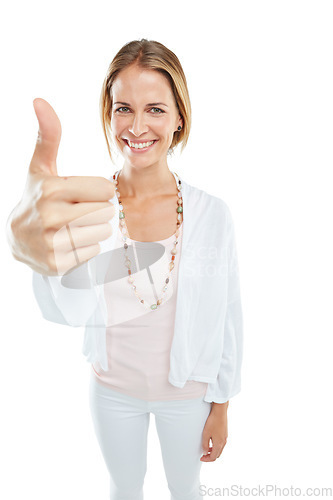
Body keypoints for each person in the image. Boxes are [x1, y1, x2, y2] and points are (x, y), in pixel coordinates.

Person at [6, 39, 244, 500]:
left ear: (179, 119)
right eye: (123, 109)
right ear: (108, 114)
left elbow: (228, 312)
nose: (137, 126)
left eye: (155, 109)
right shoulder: (88, 208)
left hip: (187, 395)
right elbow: (68, 311)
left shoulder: (213, 214)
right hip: (113, 391)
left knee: (185, 487)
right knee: (124, 487)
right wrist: (42, 262)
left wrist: (222, 404)